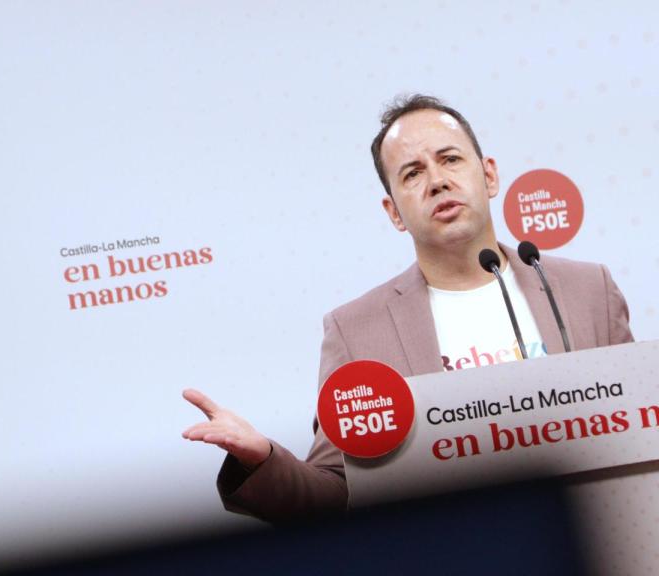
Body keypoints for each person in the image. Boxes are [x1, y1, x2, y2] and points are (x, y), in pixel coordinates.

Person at [181, 94, 633, 522]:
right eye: (412, 173)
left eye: (450, 159)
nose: (437, 180)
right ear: (393, 211)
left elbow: (646, 430)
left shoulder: (585, 290)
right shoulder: (356, 331)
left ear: (489, 175)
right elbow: (339, 493)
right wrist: (263, 459)